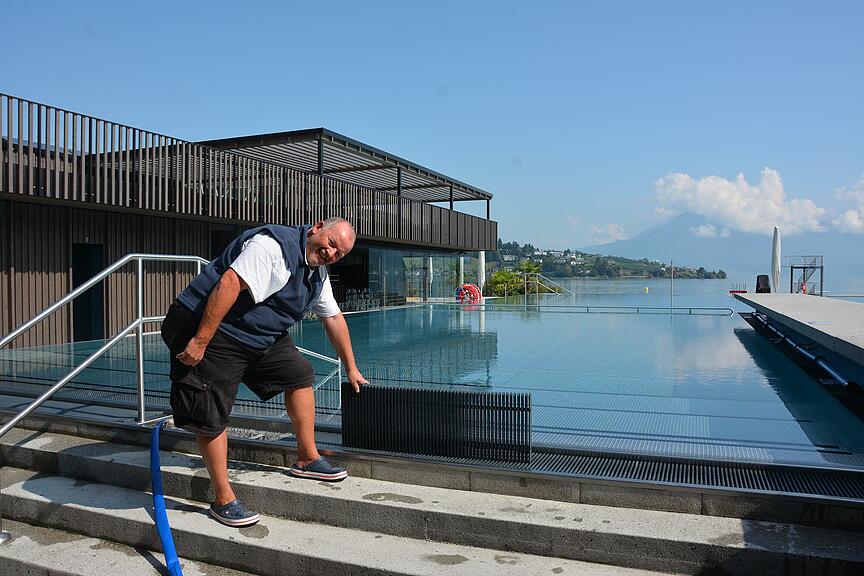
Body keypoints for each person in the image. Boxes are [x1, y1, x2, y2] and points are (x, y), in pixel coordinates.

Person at [160, 217, 368, 527]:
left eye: (339, 253)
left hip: (256, 335)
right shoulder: (273, 246)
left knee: (299, 373)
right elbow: (229, 283)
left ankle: (307, 458)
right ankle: (223, 498)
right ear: (317, 228)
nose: (331, 253)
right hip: (209, 327)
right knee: (211, 410)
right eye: (331, 243)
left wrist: (351, 368)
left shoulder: (317, 275)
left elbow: (334, 319)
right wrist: (200, 341)